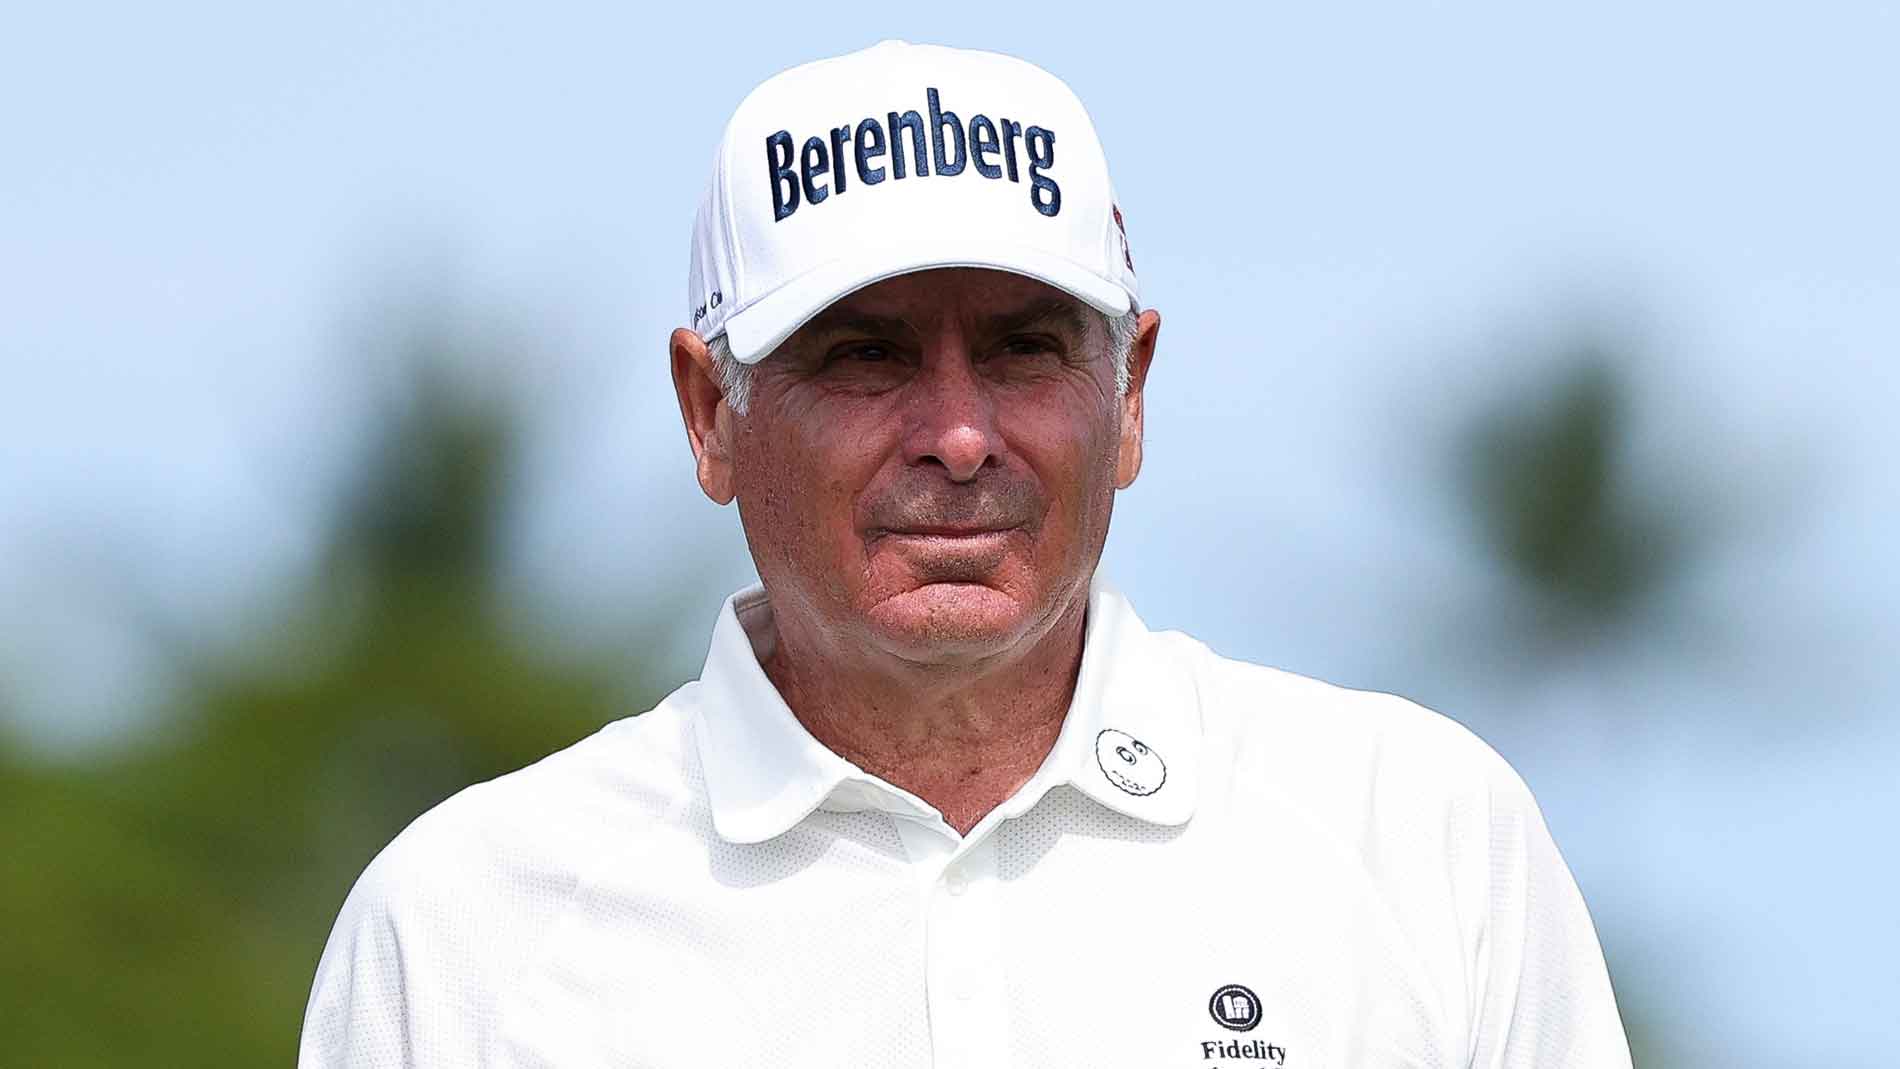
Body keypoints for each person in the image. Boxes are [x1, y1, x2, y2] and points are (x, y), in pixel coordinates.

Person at [300, 40, 1634, 1068]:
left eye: (1022, 346)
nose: (954, 433)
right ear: (712, 415)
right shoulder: (469, 930)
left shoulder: (1423, 845)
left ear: (1131, 394)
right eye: (865, 352)